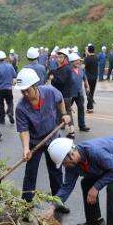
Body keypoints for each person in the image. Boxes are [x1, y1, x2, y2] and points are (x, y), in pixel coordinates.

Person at [15, 67, 71, 204]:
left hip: (53, 138)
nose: (25, 94)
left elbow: (60, 99)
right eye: (22, 91)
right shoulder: (21, 107)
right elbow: (23, 130)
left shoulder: (49, 91)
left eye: (27, 90)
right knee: (31, 172)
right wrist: (26, 148)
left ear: (35, 86)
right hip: (35, 142)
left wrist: (64, 114)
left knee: (56, 171)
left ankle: (58, 201)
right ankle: (26, 202)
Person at [48, 48, 77, 138]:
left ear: (65, 58)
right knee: (68, 113)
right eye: (57, 57)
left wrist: (53, 79)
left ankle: (55, 135)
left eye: (61, 57)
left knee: (57, 114)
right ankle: (71, 131)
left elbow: (61, 81)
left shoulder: (66, 68)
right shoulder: (63, 68)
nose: (58, 59)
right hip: (65, 95)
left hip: (63, 96)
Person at [0, 50, 17, 125]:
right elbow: (14, 75)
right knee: (10, 102)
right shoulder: (10, 66)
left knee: (1, 105)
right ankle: (10, 112)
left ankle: (2, 120)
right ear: (5, 58)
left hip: (0, 90)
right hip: (8, 89)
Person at [68, 52, 91, 132]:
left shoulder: (81, 69)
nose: (78, 62)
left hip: (79, 93)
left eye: (78, 60)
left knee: (81, 108)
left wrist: (87, 87)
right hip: (70, 94)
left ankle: (82, 126)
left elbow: (85, 78)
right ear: (71, 61)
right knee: (67, 109)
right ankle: (62, 123)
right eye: (76, 61)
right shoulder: (68, 70)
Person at [84, 44, 99, 112]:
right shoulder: (96, 57)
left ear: (88, 50)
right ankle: (90, 103)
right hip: (95, 77)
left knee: (88, 91)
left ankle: (90, 107)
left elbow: (83, 66)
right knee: (92, 91)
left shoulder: (87, 58)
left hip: (88, 77)